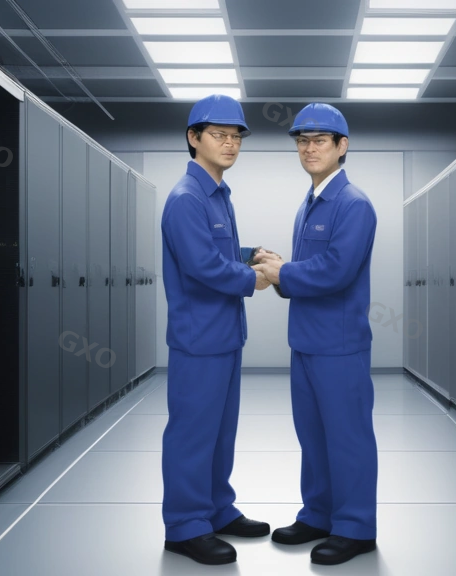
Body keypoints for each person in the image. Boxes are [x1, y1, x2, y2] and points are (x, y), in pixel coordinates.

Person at [253, 103, 379, 565]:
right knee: (314, 436)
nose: (309, 148)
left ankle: (356, 526)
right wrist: (280, 273)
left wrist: (285, 272)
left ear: (342, 147)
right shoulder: (309, 205)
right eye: (302, 141)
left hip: (340, 344)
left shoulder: (353, 204)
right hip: (305, 340)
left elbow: (337, 271)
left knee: (347, 436)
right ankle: (319, 514)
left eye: (319, 140)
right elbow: (306, 275)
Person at [160, 94, 273, 565]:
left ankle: (217, 510)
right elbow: (203, 264)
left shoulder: (217, 194)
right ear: (193, 138)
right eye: (219, 135)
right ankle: (185, 526)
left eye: (236, 137)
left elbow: (217, 251)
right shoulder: (186, 198)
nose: (230, 143)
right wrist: (256, 278)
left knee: (221, 432)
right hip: (198, 338)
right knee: (192, 433)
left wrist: (250, 254)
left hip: (225, 335)